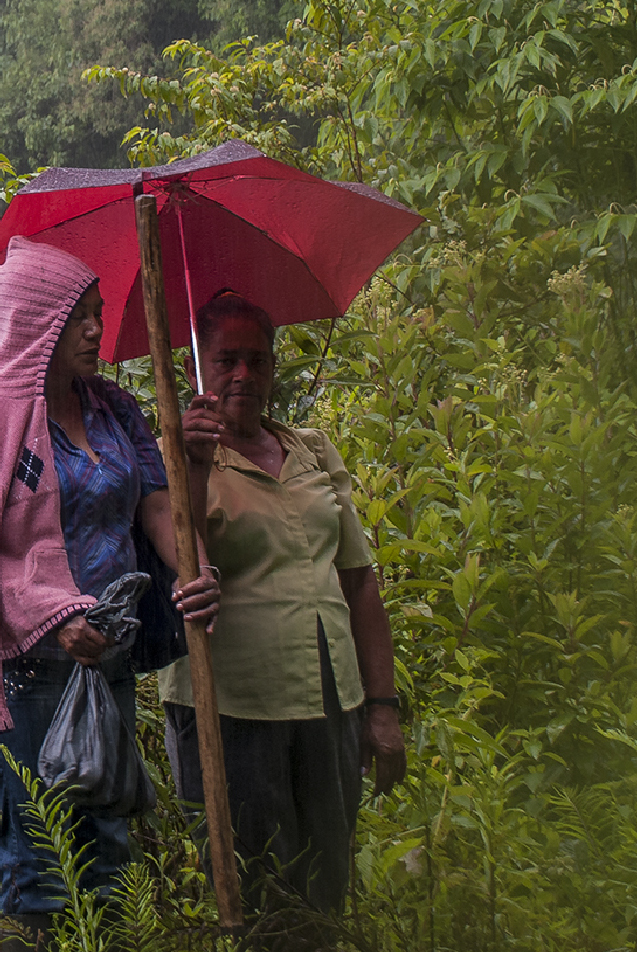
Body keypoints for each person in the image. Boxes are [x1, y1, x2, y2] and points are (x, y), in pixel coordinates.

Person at [0, 237, 219, 948]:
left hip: (105, 663)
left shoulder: (114, 410)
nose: (96, 329)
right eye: (79, 317)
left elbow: (155, 505)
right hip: (32, 675)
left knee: (108, 845)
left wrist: (195, 570)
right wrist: (52, 616)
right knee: (40, 855)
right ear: (36, 323)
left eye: (96, 312)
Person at [161, 289, 407, 915]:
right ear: (196, 367)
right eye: (226, 360)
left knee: (325, 878)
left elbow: (358, 582)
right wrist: (190, 460)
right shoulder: (170, 452)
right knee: (253, 888)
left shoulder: (312, 450)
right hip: (232, 708)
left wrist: (381, 708)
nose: (244, 374)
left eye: (258, 360)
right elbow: (180, 542)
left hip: (330, 700)